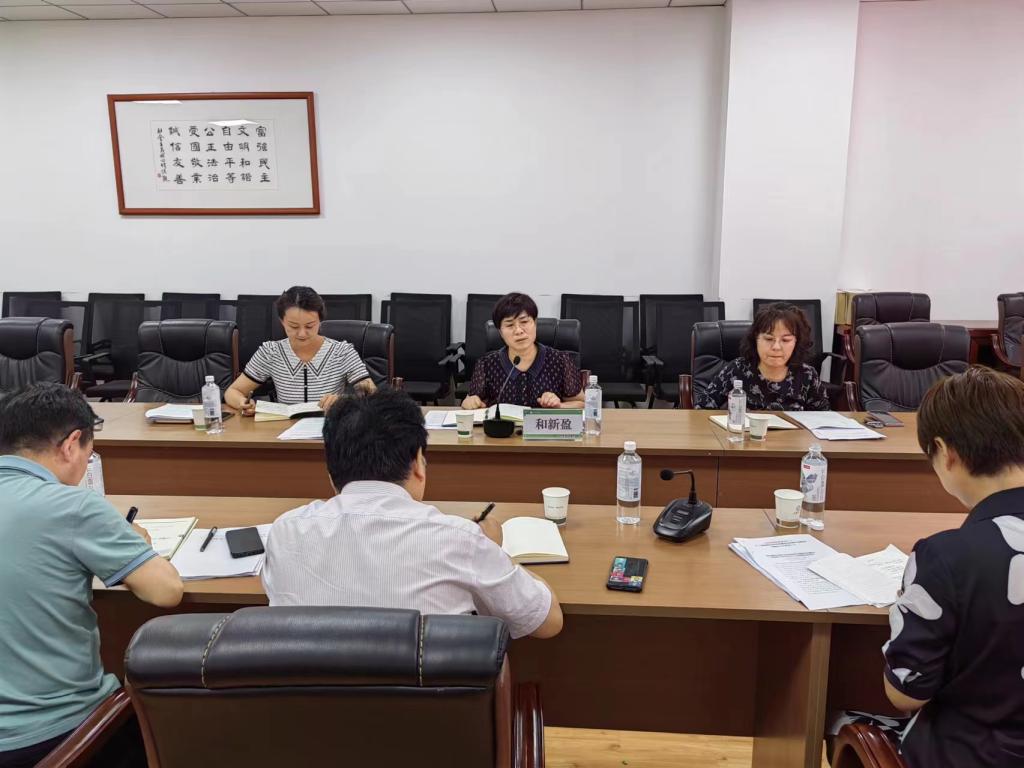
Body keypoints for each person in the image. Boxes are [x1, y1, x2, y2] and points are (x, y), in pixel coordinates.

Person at [262, 389, 563, 640]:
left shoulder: (285, 531)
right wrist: (494, 550)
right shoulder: (459, 539)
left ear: (331, 475)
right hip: (432, 696)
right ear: (418, 463)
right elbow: (547, 621)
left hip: (310, 696)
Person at [0, 384, 183, 768]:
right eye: (89, 453)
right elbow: (166, 591)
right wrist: (131, 540)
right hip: (53, 735)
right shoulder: (72, 506)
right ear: (71, 444)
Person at [225, 286, 376, 414]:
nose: (302, 334)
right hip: (283, 432)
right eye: (293, 326)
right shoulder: (270, 352)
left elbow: (372, 395)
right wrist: (242, 403)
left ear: (320, 320)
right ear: (282, 322)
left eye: (310, 326)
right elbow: (233, 392)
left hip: (331, 430)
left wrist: (343, 401)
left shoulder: (342, 352)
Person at [694, 302, 829, 411]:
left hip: (792, 437)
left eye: (786, 340)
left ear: (796, 342)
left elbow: (824, 419)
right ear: (756, 339)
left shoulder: (807, 375)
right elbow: (702, 408)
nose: (776, 347)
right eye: (769, 339)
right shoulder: (737, 369)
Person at [462, 292, 584, 410]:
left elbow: (582, 403)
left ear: (535, 323)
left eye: (524, 322)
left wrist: (559, 406)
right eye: (510, 325)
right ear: (500, 332)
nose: (519, 331)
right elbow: (470, 402)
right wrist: (469, 402)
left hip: (544, 424)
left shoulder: (560, 361)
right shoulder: (486, 365)